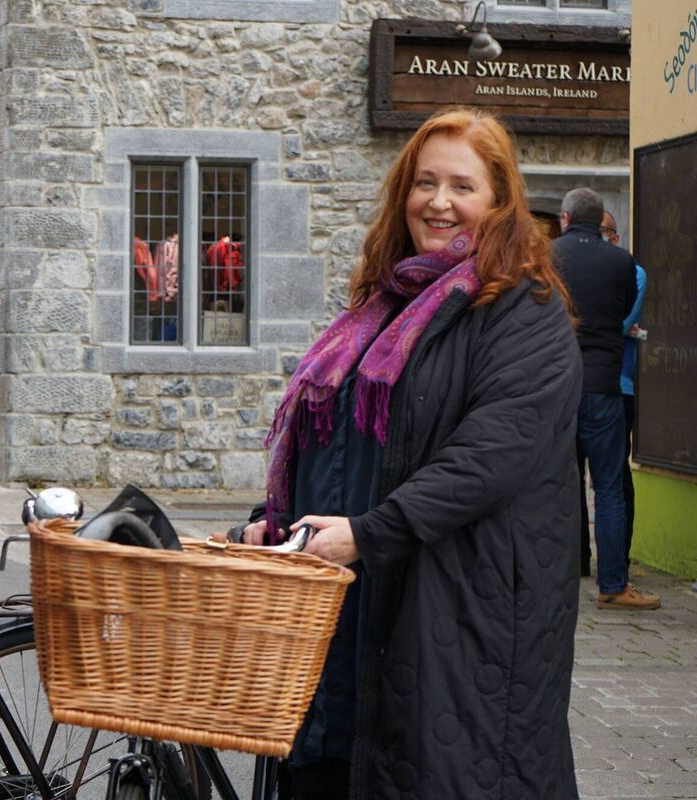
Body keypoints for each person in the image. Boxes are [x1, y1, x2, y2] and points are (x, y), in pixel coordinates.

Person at [240, 108, 583, 798]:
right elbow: (336, 439)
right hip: (347, 602)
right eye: (424, 183)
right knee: (334, 766)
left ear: (499, 200)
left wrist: (370, 534)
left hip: (455, 607)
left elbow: (491, 456)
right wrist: (276, 522)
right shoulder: (383, 304)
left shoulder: (524, 308)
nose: (440, 202)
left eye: (462, 186)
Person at [554, 190, 659, 611]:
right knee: (610, 487)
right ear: (601, 223)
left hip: (558, 387)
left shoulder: (546, 257)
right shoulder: (622, 263)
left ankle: (551, 579)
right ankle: (613, 585)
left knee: (555, 486)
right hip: (604, 386)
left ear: (564, 218)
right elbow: (620, 318)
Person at [599, 212, 647, 564]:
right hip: (578, 383)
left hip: (620, 386)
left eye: (600, 232)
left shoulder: (634, 272)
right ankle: (578, 560)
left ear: (614, 236)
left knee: (614, 477)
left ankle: (618, 563)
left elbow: (623, 323)